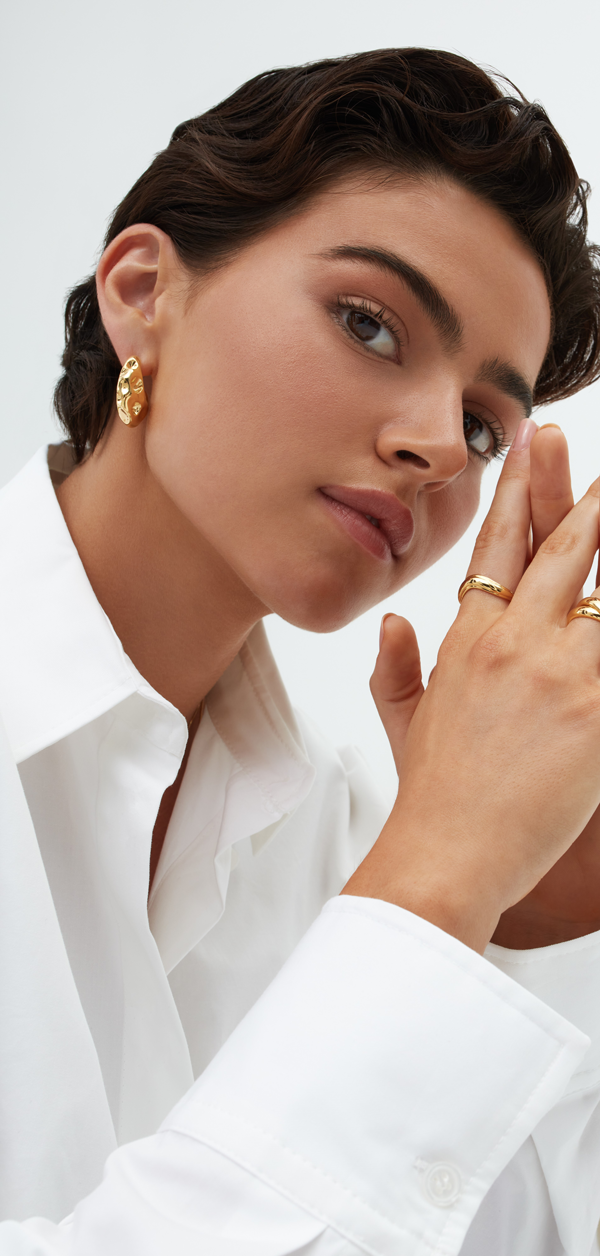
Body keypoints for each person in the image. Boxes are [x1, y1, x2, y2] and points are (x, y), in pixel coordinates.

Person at [1, 45, 600, 1256]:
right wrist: (432, 887)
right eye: (371, 324)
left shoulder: (338, 828)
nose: (439, 442)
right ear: (141, 290)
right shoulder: (397, 864)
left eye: (488, 422)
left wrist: (531, 917)